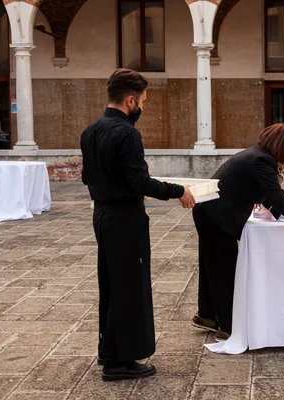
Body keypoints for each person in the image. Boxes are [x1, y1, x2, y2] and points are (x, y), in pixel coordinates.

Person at [80, 68, 195, 382]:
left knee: (112, 284)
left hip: (102, 215)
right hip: (124, 218)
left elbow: (87, 177)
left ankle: (110, 351)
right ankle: (121, 361)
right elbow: (138, 182)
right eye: (142, 101)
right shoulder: (127, 133)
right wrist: (178, 191)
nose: (142, 107)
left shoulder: (90, 130)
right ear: (130, 100)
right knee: (130, 287)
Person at [191, 124, 284, 341]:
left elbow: (269, 198)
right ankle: (228, 326)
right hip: (215, 216)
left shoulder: (257, 156)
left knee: (211, 265)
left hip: (209, 212)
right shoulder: (261, 161)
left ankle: (207, 316)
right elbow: (276, 196)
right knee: (224, 269)